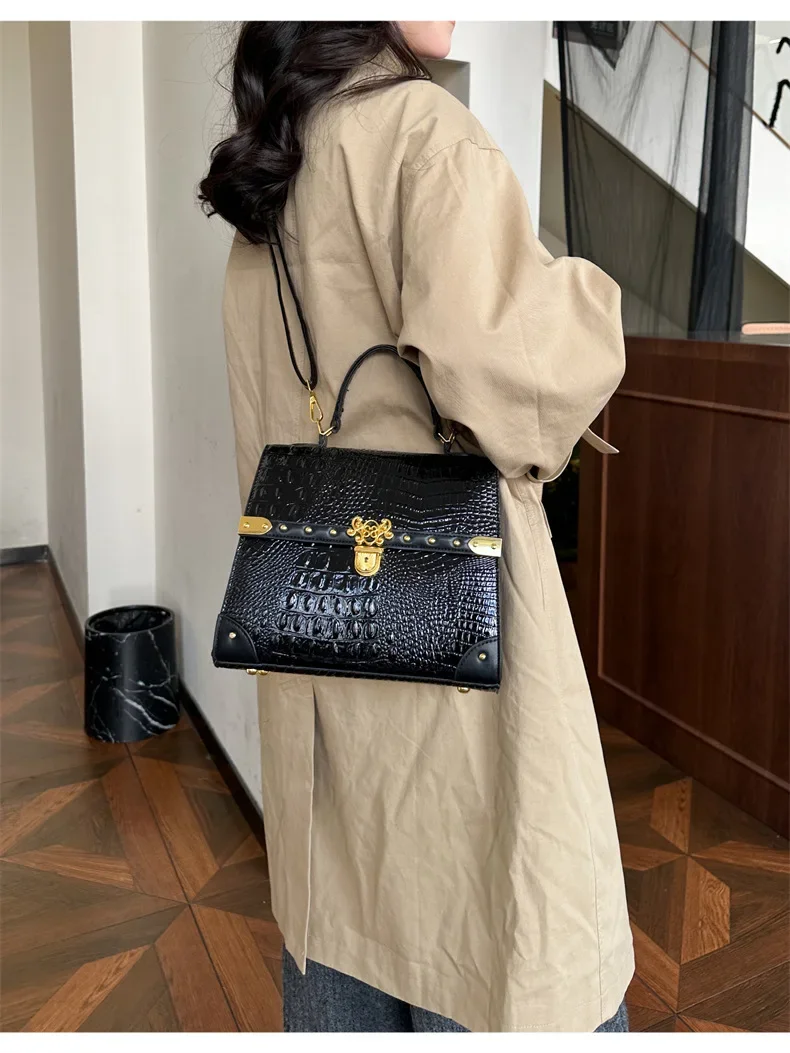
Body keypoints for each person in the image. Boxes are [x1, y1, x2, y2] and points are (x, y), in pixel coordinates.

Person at [200, 20, 634, 1033]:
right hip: (453, 650)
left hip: (316, 633)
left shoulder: (272, 172)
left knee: (344, 928)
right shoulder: (426, 137)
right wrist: (586, 300)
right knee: (501, 933)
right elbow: (519, 390)